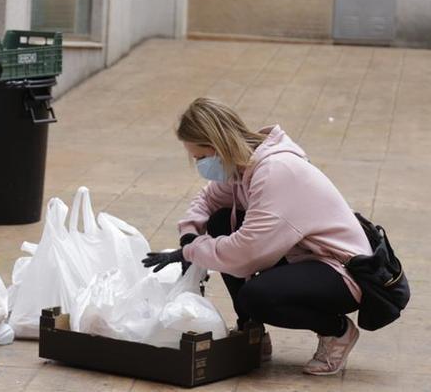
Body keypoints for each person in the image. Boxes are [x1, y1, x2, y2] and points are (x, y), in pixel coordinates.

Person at [142, 97, 372, 376]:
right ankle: (251, 333)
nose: (199, 165)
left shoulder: (275, 171)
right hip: (303, 257)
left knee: (259, 297)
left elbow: (245, 255)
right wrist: (189, 235)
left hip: (343, 272)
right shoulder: (242, 168)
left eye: (201, 157)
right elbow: (207, 200)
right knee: (219, 221)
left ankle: (337, 331)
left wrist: (189, 252)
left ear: (217, 146)